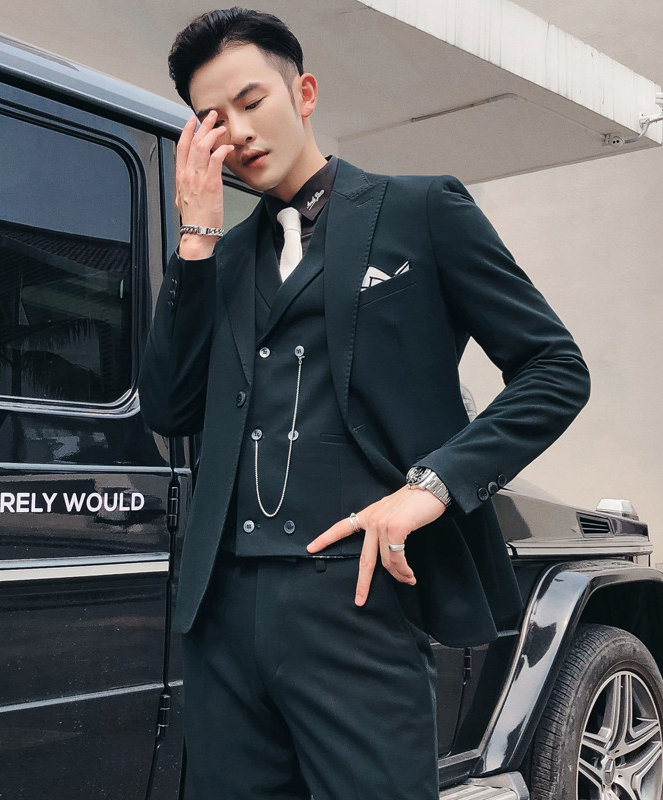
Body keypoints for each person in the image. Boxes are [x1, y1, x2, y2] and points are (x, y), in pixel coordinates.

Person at [139, 8, 590, 799]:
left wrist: (433, 486)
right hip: (221, 610)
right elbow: (170, 408)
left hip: (358, 597)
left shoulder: (421, 211)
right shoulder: (221, 256)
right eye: (214, 120)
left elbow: (554, 367)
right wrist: (196, 239)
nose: (238, 131)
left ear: (304, 93)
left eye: (252, 101)